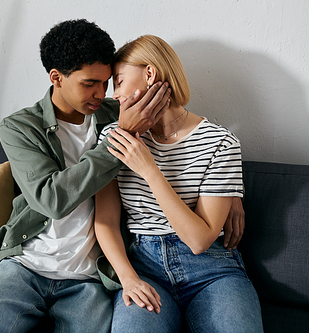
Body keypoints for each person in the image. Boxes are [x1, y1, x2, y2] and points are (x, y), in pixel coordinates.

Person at [0, 19, 172, 333]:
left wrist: (229, 195)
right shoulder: (20, 127)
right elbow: (51, 199)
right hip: (25, 265)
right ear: (56, 77)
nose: (101, 93)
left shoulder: (115, 114)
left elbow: (176, 146)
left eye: (106, 83)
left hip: (89, 277)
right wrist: (121, 135)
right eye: (89, 83)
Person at [94, 35, 263, 332]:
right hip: (144, 268)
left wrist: (150, 170)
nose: (115, 95)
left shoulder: (220, 143)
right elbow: (105, 221)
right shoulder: (114, 136)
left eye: (119, 82)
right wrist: (128, 278)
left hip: (213, 270)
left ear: (150, 73)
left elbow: (199, 240)